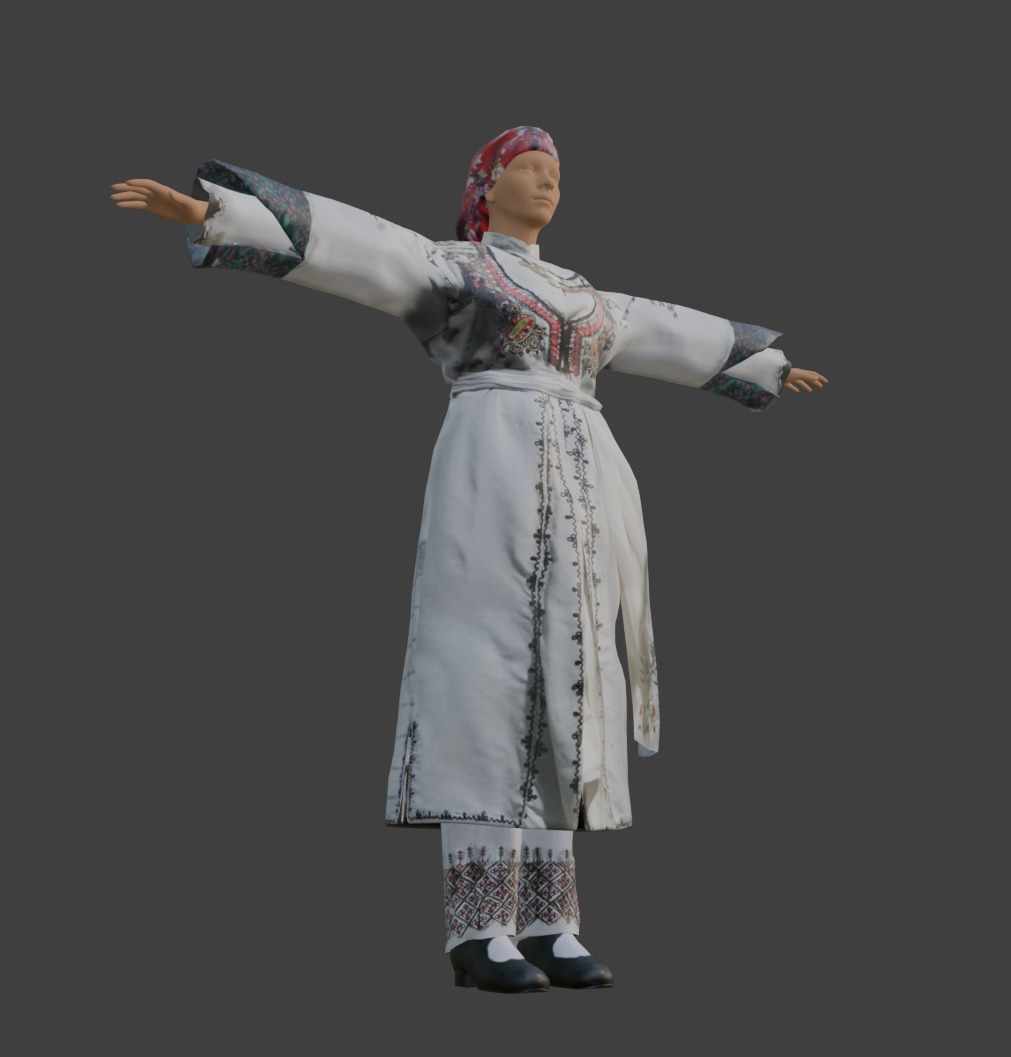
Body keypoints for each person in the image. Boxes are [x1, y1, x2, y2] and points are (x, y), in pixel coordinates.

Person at [111, 125, 827, 994]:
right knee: (483, 672)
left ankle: (551, 922)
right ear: (486, 185)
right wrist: (215, 214)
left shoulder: (582, 296)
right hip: (491, 463)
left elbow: (664, 328)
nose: (548, 182)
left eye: (556, 171)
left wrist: (764, 363)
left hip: (581, 486)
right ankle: (479, 928)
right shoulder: (454, 270)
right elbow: (361, 248)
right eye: (530, 168)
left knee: (571, 679)